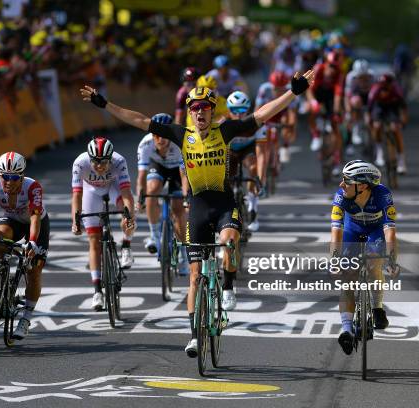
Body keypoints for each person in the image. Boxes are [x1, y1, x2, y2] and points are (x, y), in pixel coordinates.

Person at [80, 67, 314, 357]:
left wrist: (293, 92)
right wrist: (104, 104)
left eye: (204, 107)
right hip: (199, 208)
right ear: (189, 112)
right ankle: (193, 336)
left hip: (224, 203)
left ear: (212, 111)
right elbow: (139, 120)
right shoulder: (180, 133)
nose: (199, 112)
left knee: (228, 244)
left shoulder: (225, 129)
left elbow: (263, 114)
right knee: (193, 277)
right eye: (194, 108)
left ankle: (228, 287)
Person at [0, 152, 50, 340]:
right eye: (4, 176)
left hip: (36, 223)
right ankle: (1, 271)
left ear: (21, 176)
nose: (8, 181)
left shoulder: (33, 187)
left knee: (34, 271)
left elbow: (34, 218)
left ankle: (26, 318)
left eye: (14, 177)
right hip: (12, 220)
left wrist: (32, 240)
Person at [330, 160, 400, 355]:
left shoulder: (382, 195)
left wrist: (392, 261)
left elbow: (390, 233)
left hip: (375, 230)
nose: (341, 185)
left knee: (373, 264)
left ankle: (377, 307)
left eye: (346, 181)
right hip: (352, 230)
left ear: (362, 185)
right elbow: (336, 232)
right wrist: (335, 260)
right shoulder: (341, 197)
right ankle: (346, 329)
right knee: (347, 278)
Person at [71, 137, 136, 311]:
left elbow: (127, 193)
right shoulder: (80, 163)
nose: (99, 166)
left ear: (111, 159)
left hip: (113, 187)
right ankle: (97, 290)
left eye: (104, 162)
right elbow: (76, 196)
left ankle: (126, 246)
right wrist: (75, 221)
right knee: (94, 239)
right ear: (89, 158)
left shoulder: (119, 161)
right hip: (90, 192)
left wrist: (129, 217)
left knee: (127, 213)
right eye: (96, 162)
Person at [136, 113, 189, 276]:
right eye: (157, 136)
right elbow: (141, 177)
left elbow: (184, 175)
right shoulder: (145, 145)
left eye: (165, 135)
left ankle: (185, 258)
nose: (161, 139)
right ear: (152, 136)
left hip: (177, 172)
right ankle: (154, 234)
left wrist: (187, 198)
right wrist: (140, 199)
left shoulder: (180, 144)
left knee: (179, 210)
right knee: (151, 191)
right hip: (158, 167)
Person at [254, 71, 298, 191]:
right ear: (271, 85)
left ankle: (285, 145)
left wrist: (290, 126)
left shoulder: (291, 89)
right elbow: (257, 110)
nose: (278, 91)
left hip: (283, 112)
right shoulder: (264, 89)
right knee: (264, 133)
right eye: (276, 89)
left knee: (287, 122)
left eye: (281, 89)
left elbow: (292, 113)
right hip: (268, 112)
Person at [226, 91, 260, 232]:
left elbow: (263, 153)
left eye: (242, 110)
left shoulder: (255, 123)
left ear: (248, 110)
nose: (238, 114)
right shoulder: (223, 123)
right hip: (231, 152)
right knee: (226, 178)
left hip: (247, 149)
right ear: (229, 111)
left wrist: (259, 178)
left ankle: (252, 205)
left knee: (253, 167)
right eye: (234, 110)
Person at [306, 51, 344, 161]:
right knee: (311, 109)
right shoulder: (318, 69)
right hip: (317, 93)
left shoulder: (339, 73)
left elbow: (338, 93)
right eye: (330, 66)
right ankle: (315, 135)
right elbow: (309, 90)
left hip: (331, 96)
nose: (332, 70)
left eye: (334, 67)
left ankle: (336, 156)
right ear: (326, 63)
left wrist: (336, 110)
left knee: (335, 123)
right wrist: (313, 102)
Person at [368, 73, 408, 174]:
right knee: (377, 126)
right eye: (382, 85)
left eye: (387, 85)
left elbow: (403, 107)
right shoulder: (375, 90)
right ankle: (379, 152)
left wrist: (403, 119)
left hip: (392, 107)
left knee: (395, 129)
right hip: (379, 107)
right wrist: (370, 119)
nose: (384, 87)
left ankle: (401, 161)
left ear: (391, 84)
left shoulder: (396, 90)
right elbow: (370, 106)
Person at [344, 59, 374, 146]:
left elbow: (376, 94)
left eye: (364, 76)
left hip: (369, 96)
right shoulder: (350, 77)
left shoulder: (372, 75)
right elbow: (347, 95)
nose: (362, 79)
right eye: (360, 77)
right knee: (351, 114)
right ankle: (354, 132)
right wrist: (348, 109)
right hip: (356, 96)